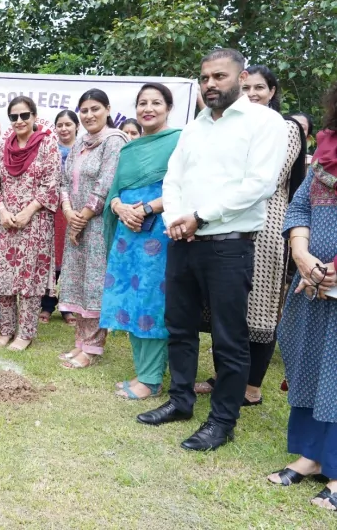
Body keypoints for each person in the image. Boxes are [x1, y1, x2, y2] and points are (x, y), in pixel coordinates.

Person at [136, 48, 288, 452]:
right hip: (183, 240)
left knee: (228, 337)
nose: (210, 84)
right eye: (205, 78)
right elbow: (174, 177)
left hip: (227, 245)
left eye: (219, 76)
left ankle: (222, 421)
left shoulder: (266, 122)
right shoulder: (196, 125)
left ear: (241, 78)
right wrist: (177, 218)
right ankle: (181, 402)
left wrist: (200, 216)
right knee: (181, 328)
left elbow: (259, 185)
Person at [195, 65, 307, 404]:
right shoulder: (232, 127)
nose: (252, 94)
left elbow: (266, 178)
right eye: (246, 89)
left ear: (272, 92)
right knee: (226, 306)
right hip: (226, 223)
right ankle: (224, 377)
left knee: (259, 308)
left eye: (260, 87)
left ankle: (252, 387)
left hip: (267, 229)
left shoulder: (283, 128)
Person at [266, 83, 337, 509]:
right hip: (312, 280)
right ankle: (312, 456)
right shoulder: (327, 145)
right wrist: (301, 252)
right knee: (310, 360)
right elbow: (299, 206)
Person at [101, 83, 181, 399]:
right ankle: (143, 372)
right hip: (127, 232)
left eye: (156, 102)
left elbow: (183, 188)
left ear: (168, 107)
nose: (148, 108)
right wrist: (120, 207)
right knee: (130, 298)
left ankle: (150, 379)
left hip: (158, 232)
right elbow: (115, 191)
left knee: (151, 298)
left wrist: (148, 208)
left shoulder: (179, 141)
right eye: (142, 103)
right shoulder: (129, 149)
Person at [58, 89, 128, 369]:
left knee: (96, 284)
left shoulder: (114, 141)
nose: (89, 115)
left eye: (95, 109)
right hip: (76, 220)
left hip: (97, 224)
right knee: (78, 281)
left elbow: (106, 183)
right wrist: (68, 213)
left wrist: (82, 218)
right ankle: (80, 343)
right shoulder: (79, 143)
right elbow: (64, 180)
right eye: (84, 110)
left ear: (108, 109)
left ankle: (93, 346)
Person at [0, 97, 62, 351]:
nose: (19, 121)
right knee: (6, 279)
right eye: (14, 117)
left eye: (24, 115)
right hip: (6, 223)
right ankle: (6, 330)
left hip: (36, 223)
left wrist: (29, 211)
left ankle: (26, 333)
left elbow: (52, 183)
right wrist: (1, 210)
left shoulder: (47, 144)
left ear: (33, 116)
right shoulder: (3, 146)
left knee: (30, 280)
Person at [41, 110, 78, 324]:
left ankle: (67, 306)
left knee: (71, 257)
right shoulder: (49, 150)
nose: (64, 129)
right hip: (53, 210)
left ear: (76, 126)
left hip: (76, 209)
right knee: (52, 257)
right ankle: (47, 305)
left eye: (68, 124)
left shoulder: (83, 149)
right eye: (60, 125)